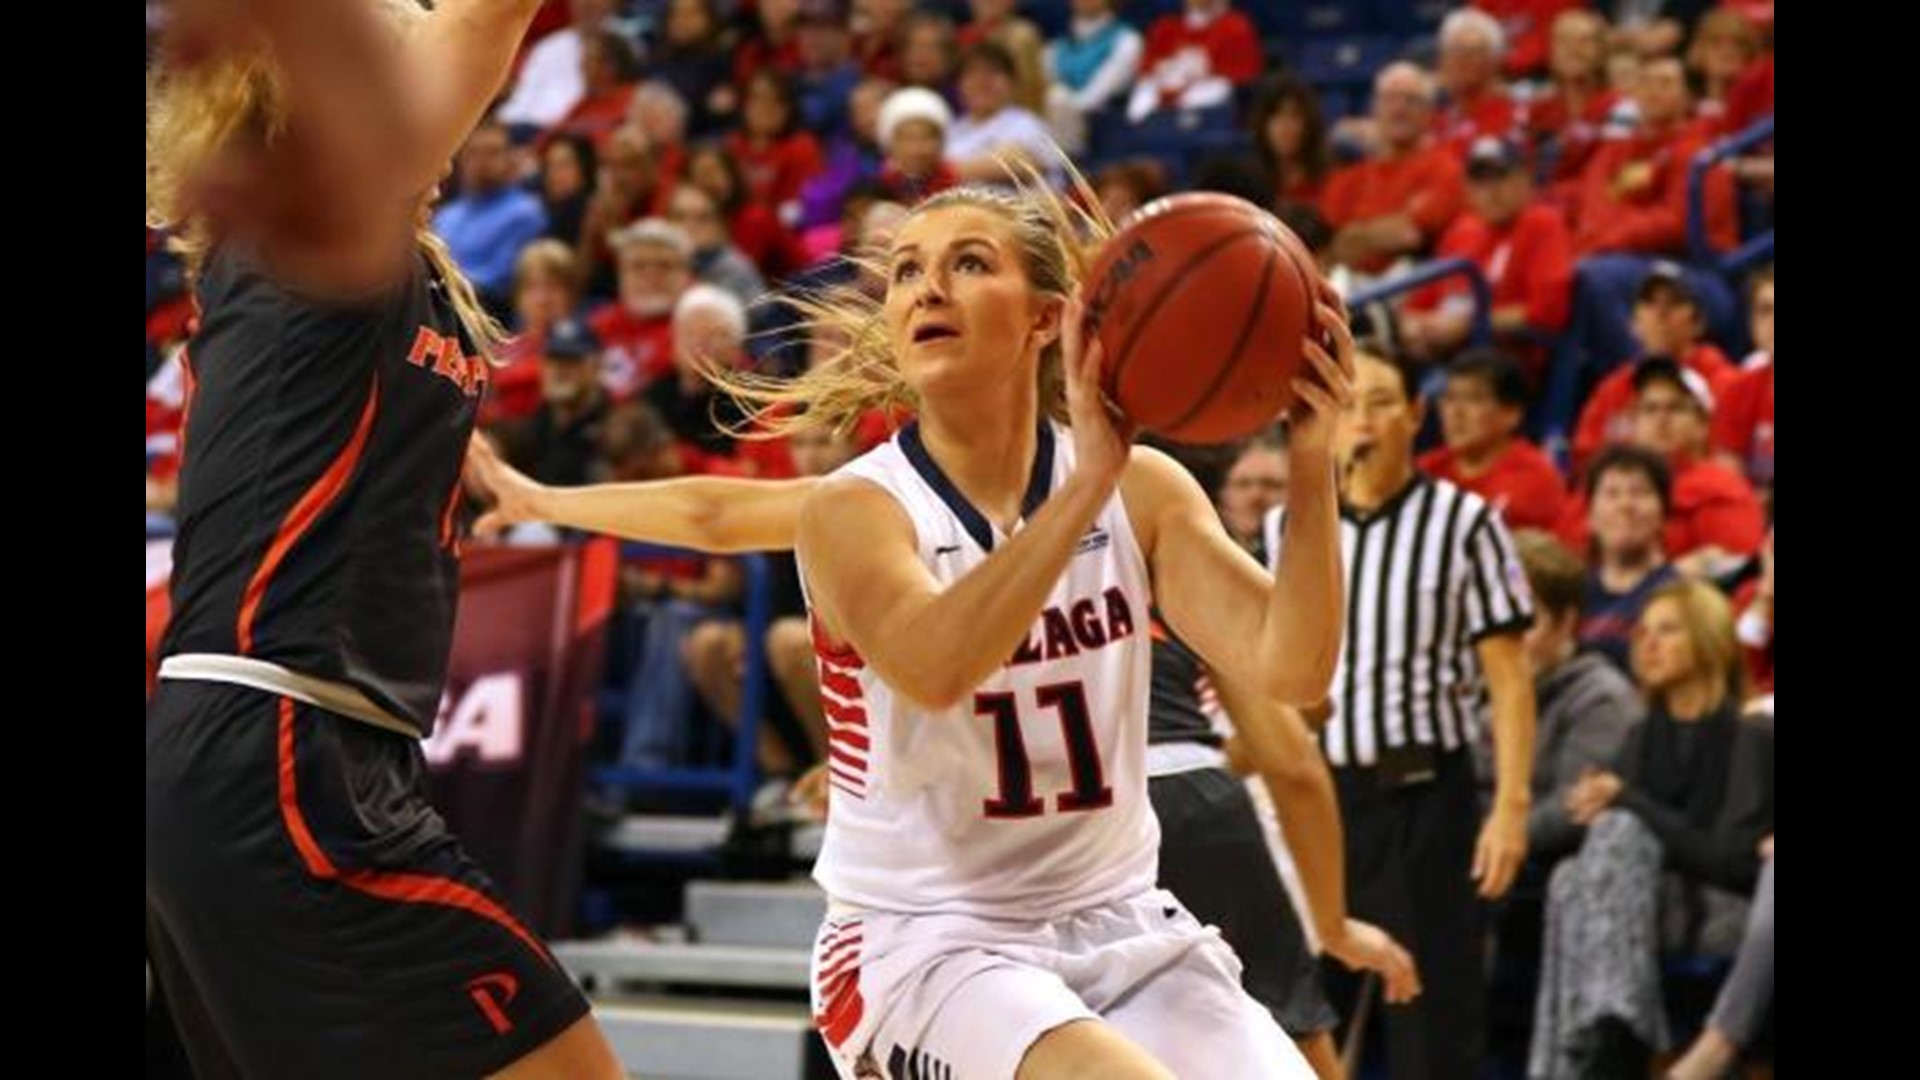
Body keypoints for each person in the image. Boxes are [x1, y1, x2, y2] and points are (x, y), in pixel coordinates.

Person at [476, 174, 1355, 1077]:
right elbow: (935, 664)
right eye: (904, 272)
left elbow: (1297, 669)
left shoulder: (1148, 492)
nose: (927, 288)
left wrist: (1313, 458)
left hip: (1122, 918)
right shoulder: (857, 511)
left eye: (969, 263)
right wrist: (1086, 484)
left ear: (1048, 318)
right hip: (924, 940)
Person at [144, 1, 622, 1075]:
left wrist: (495, 482)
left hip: (291, 753)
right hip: (274, 744)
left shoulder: (357, 282)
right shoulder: (309, 235)